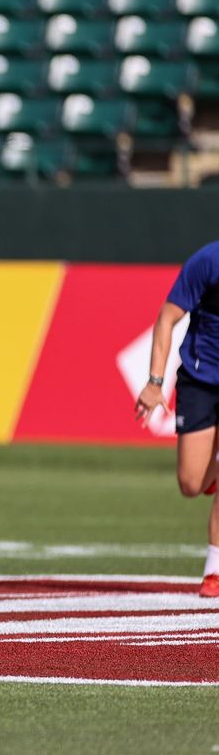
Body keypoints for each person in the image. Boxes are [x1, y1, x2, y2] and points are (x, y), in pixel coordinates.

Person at [135, 238, 219, 598]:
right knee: (190, 483)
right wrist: (155, 382)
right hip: (202, 378)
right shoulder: (208, 261)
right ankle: (209, 473)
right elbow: (167, 318)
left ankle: (214, 571)